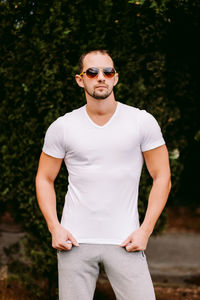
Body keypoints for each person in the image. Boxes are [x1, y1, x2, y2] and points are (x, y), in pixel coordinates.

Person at [35, 49, 171, 300]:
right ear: (80, 79)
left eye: (107, 71)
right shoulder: (62, 127)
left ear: (115, 78)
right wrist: (55, 227)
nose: (101, 77)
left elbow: (162, 176)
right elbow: (44, 178)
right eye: (92, 72)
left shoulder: (141, 121)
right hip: (74, 241)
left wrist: (145, 230)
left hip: (127, 240)